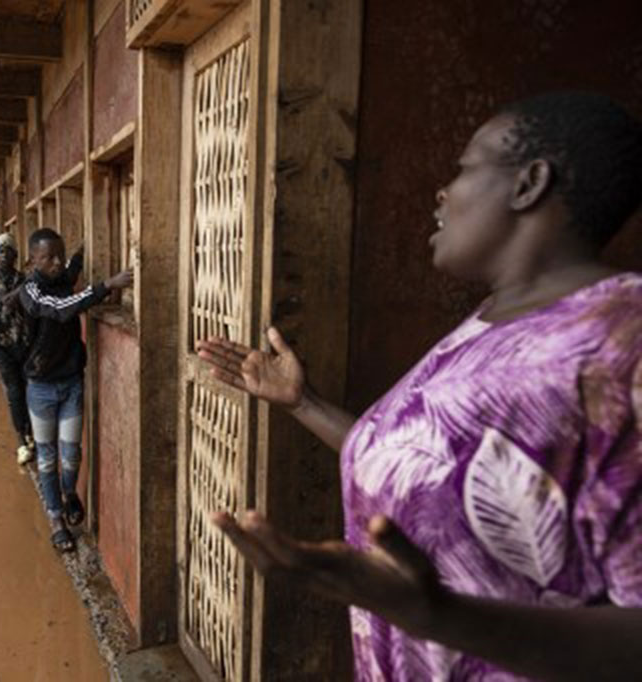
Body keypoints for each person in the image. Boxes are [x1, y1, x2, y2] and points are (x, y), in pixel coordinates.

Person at [198, 92, 642, 680]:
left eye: (463, 169)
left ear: (530, 183)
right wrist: (303, 403)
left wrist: (437, 615)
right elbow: (429, 465)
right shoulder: (493, 321)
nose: (443, 192)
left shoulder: (622, 342)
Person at [19, 228, 133, 553]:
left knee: (71, 456)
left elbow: (71, 271)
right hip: (40, 387)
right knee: (47, 458)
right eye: (48, 257)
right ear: (32, 260)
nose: (56, 263)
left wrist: (83, 247)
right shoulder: (32, 291)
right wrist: (106, 286)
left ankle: (68, 493)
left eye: (60, 255)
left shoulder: (62, 277)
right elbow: (60, 308)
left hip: (70, 382)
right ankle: (56, 520)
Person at [0, 232, 34, 465]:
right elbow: (7, 300)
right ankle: (21, 440)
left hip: (20, 341)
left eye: (9, 251)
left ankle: (30, 432)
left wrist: (27, 286)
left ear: (15, 255)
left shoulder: (22, 277)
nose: (5, 255)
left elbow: (27, 305)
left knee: (25, 387)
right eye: (1, 251)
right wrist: (27, 287)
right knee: (14, 390)